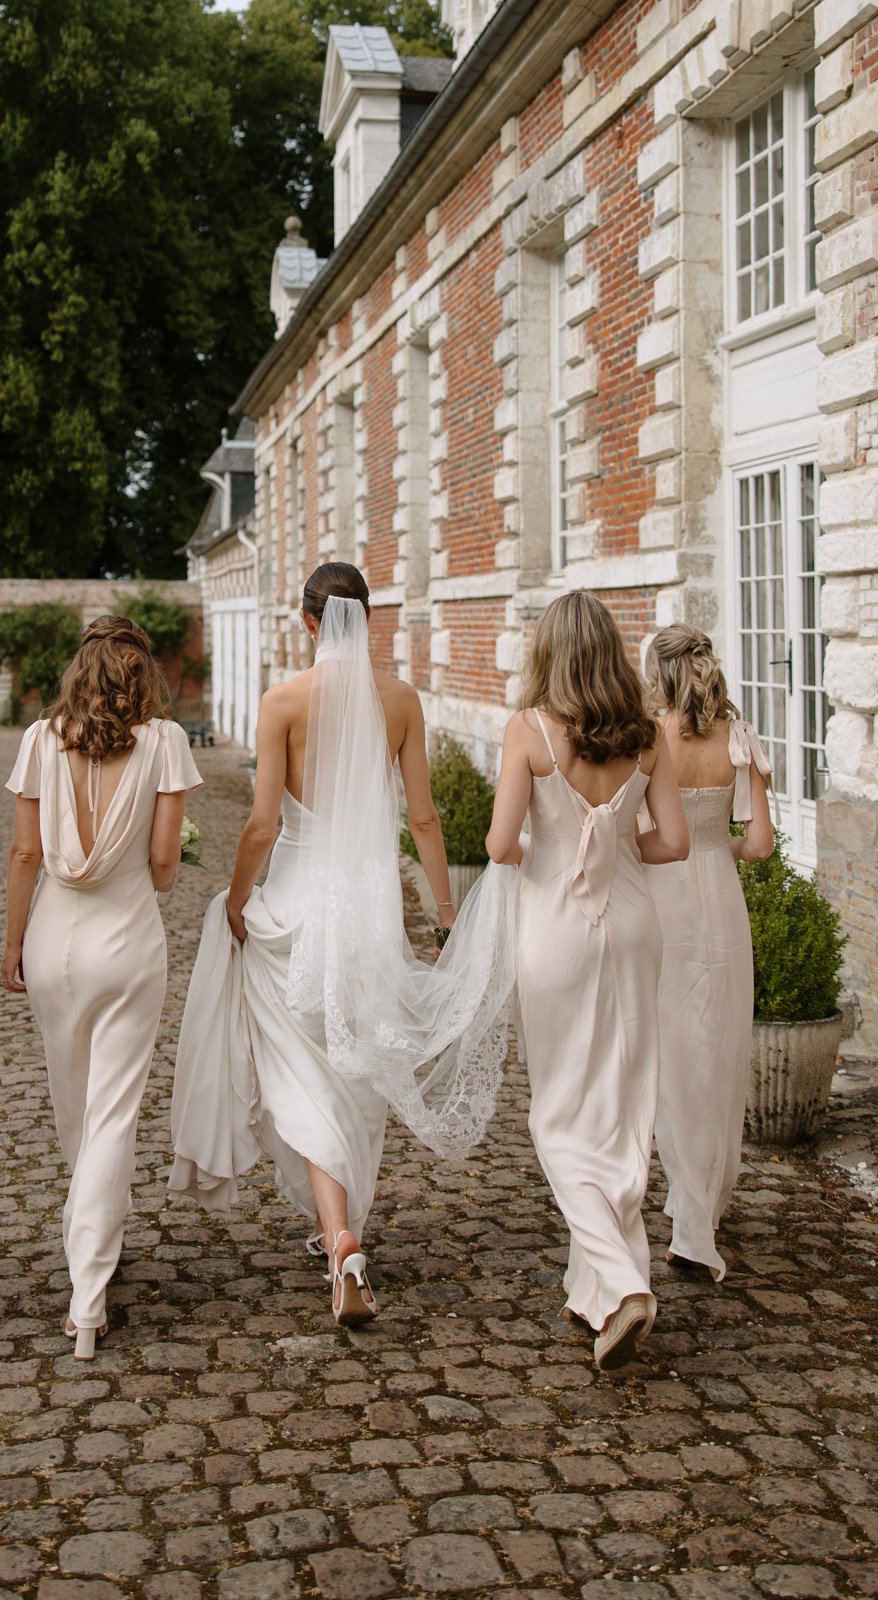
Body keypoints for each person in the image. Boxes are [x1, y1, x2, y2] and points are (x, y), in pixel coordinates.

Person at [169, 562, 515, 1325]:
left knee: (302, 1072)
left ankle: (338, 1237)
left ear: (306, 621)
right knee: (354, 1071)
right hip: (368, 904)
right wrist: (447, 912)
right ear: (370, 621)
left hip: (294, 899)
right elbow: (423, 819)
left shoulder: (283, 700)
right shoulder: (398, 700)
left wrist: (235, 900)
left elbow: (261, 825)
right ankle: (341, 1230)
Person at [486, 591, 688, 1372]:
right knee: (622, 1098)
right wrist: (616, 837)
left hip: (557, 930)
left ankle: (624, 1279)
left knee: (559, 1114)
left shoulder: (530, 732)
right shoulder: (645, 738)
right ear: (608, 650)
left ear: (547, 653)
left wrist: (562, 834)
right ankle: (596, 1293)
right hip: (635, 924)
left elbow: (501, 845)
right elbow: (671, 841)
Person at [1, 616, 201, 1359]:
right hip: (127, 940)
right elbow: (162, 865)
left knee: (75, 1105)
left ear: (77, 674)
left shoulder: (37, 740)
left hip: (55, 938)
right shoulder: (165, 744)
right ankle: (89, 1296)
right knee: (115, 1111)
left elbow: (25, 851)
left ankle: (91, 1260)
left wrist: (14, 941)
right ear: (140, 674)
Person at [643, 624, 773, 1280]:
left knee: (674, 1056)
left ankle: (690, 1213)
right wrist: (756, 789)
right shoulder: (738, 740)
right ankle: (701, 1203)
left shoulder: (648, 740)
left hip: (664, 905)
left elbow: (635, 835)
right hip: (721, 900)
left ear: (659, 674)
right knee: (718, 1049)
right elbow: (757, 848)